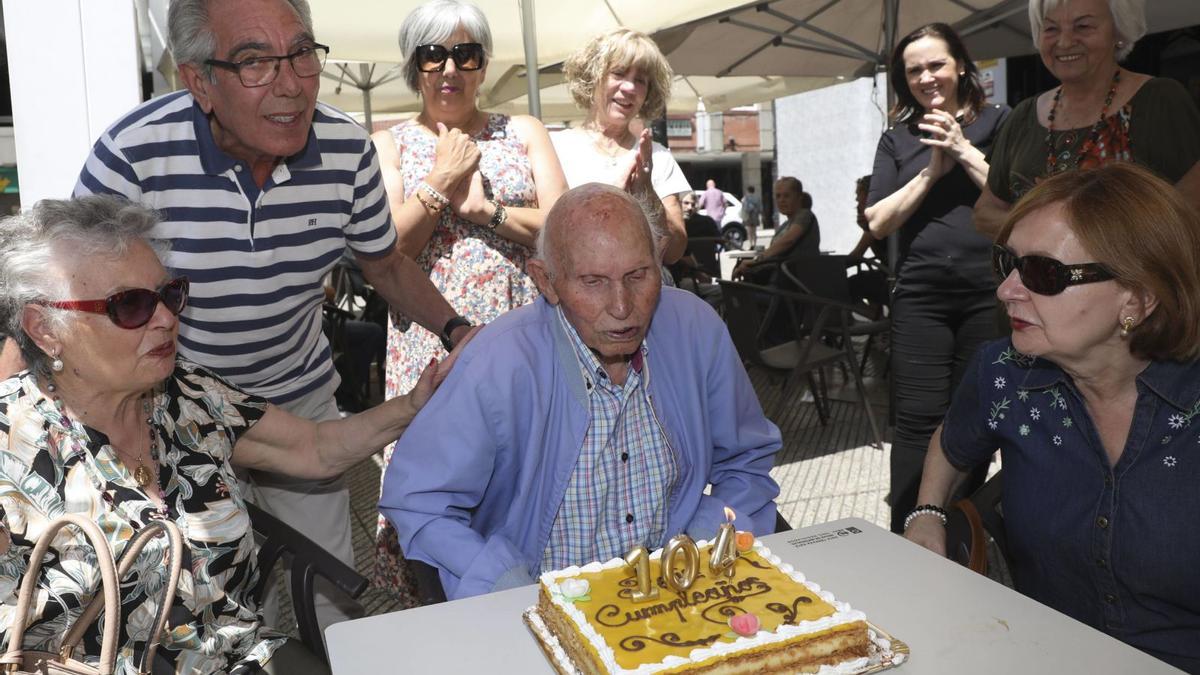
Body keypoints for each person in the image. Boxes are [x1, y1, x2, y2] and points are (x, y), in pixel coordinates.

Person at [72, 0, 478, 629]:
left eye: (301, 54)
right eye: (255, 62)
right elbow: (72, 293)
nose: (291, 84)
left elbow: (386, 265)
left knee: (332, 589)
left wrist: (457, 330)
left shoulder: (346, 148)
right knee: (216, 602)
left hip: (299, 395)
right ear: (199, 81)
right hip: (176, 412)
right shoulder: (132, 156)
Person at [0, 196, 450, 675]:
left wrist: (411, 405)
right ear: (45, 330)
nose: (166, 318)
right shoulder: (11, 444)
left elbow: (315, 448)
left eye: (169, 294)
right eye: (130, 304)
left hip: (238, 654)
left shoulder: (187, 395)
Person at [380, 184, 782, 600]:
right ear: (546, 281)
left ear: (660, 258)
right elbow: (417, 499)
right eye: (593, 282)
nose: (622, 306)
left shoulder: (695, 329)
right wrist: (507, 588)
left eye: (638, 275)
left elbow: (746, 459)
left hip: (677, 593)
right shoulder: (496, 363)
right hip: (547, 600)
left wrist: (705, 537)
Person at [905, 163, 1200, 672]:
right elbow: (951, 442)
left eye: (1044, 273)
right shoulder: (1005, 373)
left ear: (1138, 298)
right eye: (1007, 263)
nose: (1007, 290)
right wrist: (927, 514)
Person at [368, 0, 566, 595]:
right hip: (432, 342)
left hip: (526, 333)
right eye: (433, 55)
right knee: (440, 487)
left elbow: (565, 228)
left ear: (482, 64)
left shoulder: (523, 130)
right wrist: (443, 180)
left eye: (465, 53)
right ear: (415, 66)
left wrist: (487, 211)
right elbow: (386, 250)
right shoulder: (388, 144)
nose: (449, 68)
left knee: (533, 471)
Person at [861, 23, 1010, 533]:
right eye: (914, 71)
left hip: (989, 293)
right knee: (916, 420)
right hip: (920, 295)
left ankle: (959, 532)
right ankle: (910, 532)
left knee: (975, 416)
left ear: (961, 66)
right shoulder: (897, 138)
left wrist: (962, 149)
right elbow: (877, 221)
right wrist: (930, 172)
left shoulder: (1000, 122)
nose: (926, 77)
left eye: (936, 65)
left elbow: (1020, 199)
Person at [973, 0, 1200, 234]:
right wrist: (1044, 227)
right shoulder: (1022, 116)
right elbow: (984, 213)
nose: (1064, 42)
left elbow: (1191, 211)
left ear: (1119, 30)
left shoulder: (1159, 100)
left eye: (1083, 26)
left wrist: (1074, 231)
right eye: (1051, 29)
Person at [552, 28, 690, 264]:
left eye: (640, 80)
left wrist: (646, 193)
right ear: (592, 76)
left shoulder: (657, 156)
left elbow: (675, 251)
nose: (629, 88)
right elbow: (546, 233)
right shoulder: (556, 147)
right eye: (618, 73)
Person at [731, 177, 818, 282]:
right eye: (778, 196)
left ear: (799, 197)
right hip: (782, 277)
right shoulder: (785, 225)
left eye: (787, 196)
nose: (781, 200)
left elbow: (788, 241)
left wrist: (757, 261)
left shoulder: (805, 215)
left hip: (796, 281)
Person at [740, 185, 763, 249]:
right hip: (755, 216)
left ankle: (751, 244)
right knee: (754, 231)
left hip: (748, 216)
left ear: (748, 191)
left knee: (749, 231)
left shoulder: (746, 198)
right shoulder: (757, 198)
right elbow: (760, 208)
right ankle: (755, 244)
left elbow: (745, 208)